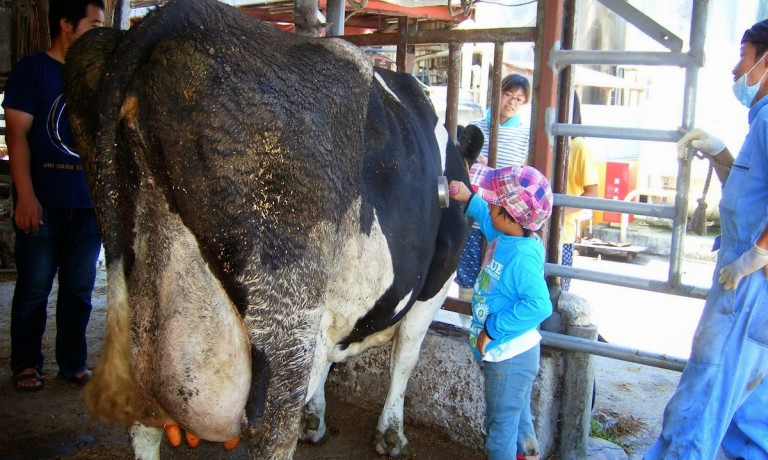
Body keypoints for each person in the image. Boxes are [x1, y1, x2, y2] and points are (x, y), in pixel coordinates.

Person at [645, 18, 768, 459]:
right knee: (749, 413)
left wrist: (758, 253)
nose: (736, 69)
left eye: (744, 55)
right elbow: (751, 194)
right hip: (750, 277)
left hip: (749, 283)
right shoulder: (761, 120)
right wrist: (720, 152)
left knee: (706, 392)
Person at [3, 0, 105, 391]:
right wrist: (25, 197)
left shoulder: (96, 77)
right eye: (93, 24)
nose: (99, 32)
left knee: (79, 290)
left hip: (87, 204)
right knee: (33, 288)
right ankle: (26, 364)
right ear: (67, 24)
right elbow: (17, 137)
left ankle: (73, 363)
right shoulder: (33, 71)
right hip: (43, 202)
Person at [448, 164, 553, 460]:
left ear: (511, 215)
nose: (490, 204)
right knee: (517, 416)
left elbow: (540, 305)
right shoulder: (510, 236)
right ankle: (527, 452)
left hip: (508, 355)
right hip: (509, 353)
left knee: (499, 428)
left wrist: (493, 328)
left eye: (495, 201)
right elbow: (488, 218)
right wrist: (469, 199)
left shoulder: (521, 257)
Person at [455, 74, 532, 300]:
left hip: (505, 218)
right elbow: (460, 167)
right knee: (468, 273)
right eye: (507, 94)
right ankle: (466, 322)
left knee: (497, 276)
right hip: (473, 213)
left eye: (519, 99)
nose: (511, 102)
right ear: (496, 93)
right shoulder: (474, 128)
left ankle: (488, 323)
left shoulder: (525, 136)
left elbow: (526, 175)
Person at [560, 95, 599, 291]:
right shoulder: (539, 139)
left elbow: (592, 193)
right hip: (529, 232)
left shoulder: (579, 145)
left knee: (556, 293)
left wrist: (558, 212)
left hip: (561, 234)